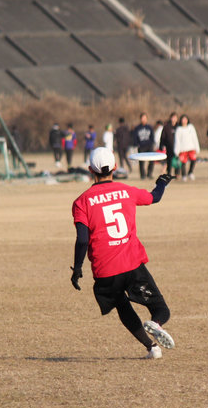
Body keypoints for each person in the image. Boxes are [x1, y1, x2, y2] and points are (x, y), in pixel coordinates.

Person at [70, 147, 176, 359]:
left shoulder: (82, 201)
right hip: (131, 263)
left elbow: (82, 240)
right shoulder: (127, 191)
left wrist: (78, 268)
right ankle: (156, 323)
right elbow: (154, 197)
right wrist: (162, 182)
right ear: (115, 167)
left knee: (122, 307)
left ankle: (151, 348)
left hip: (105, 269)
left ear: (90, 170)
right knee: (161, 309)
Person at [175, 114, 200, 181]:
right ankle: (184, 175)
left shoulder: (191, 127)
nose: (184, 121)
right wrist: (177, 150)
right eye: (183, 119)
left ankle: (190, 172)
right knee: (183, 162)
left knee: (193, 160)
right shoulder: (179, 129)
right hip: (183, 149)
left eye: (185, 119)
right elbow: (177, 140)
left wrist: (197, 147)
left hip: (191, 148)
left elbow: (194, 137)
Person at [133, 112, 155, 180]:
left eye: (145, 118)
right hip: (141, 146)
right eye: (142, 118)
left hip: (149, 146)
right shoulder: (137, 128)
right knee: (141, 162)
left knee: (152, 160)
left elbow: (152, 136)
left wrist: (152, 143)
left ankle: (149, 174)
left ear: (147, 119)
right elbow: (135, 137)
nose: (144, 119)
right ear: (140, 119)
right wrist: (137, 144)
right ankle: (142, 175)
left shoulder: (150, 127)